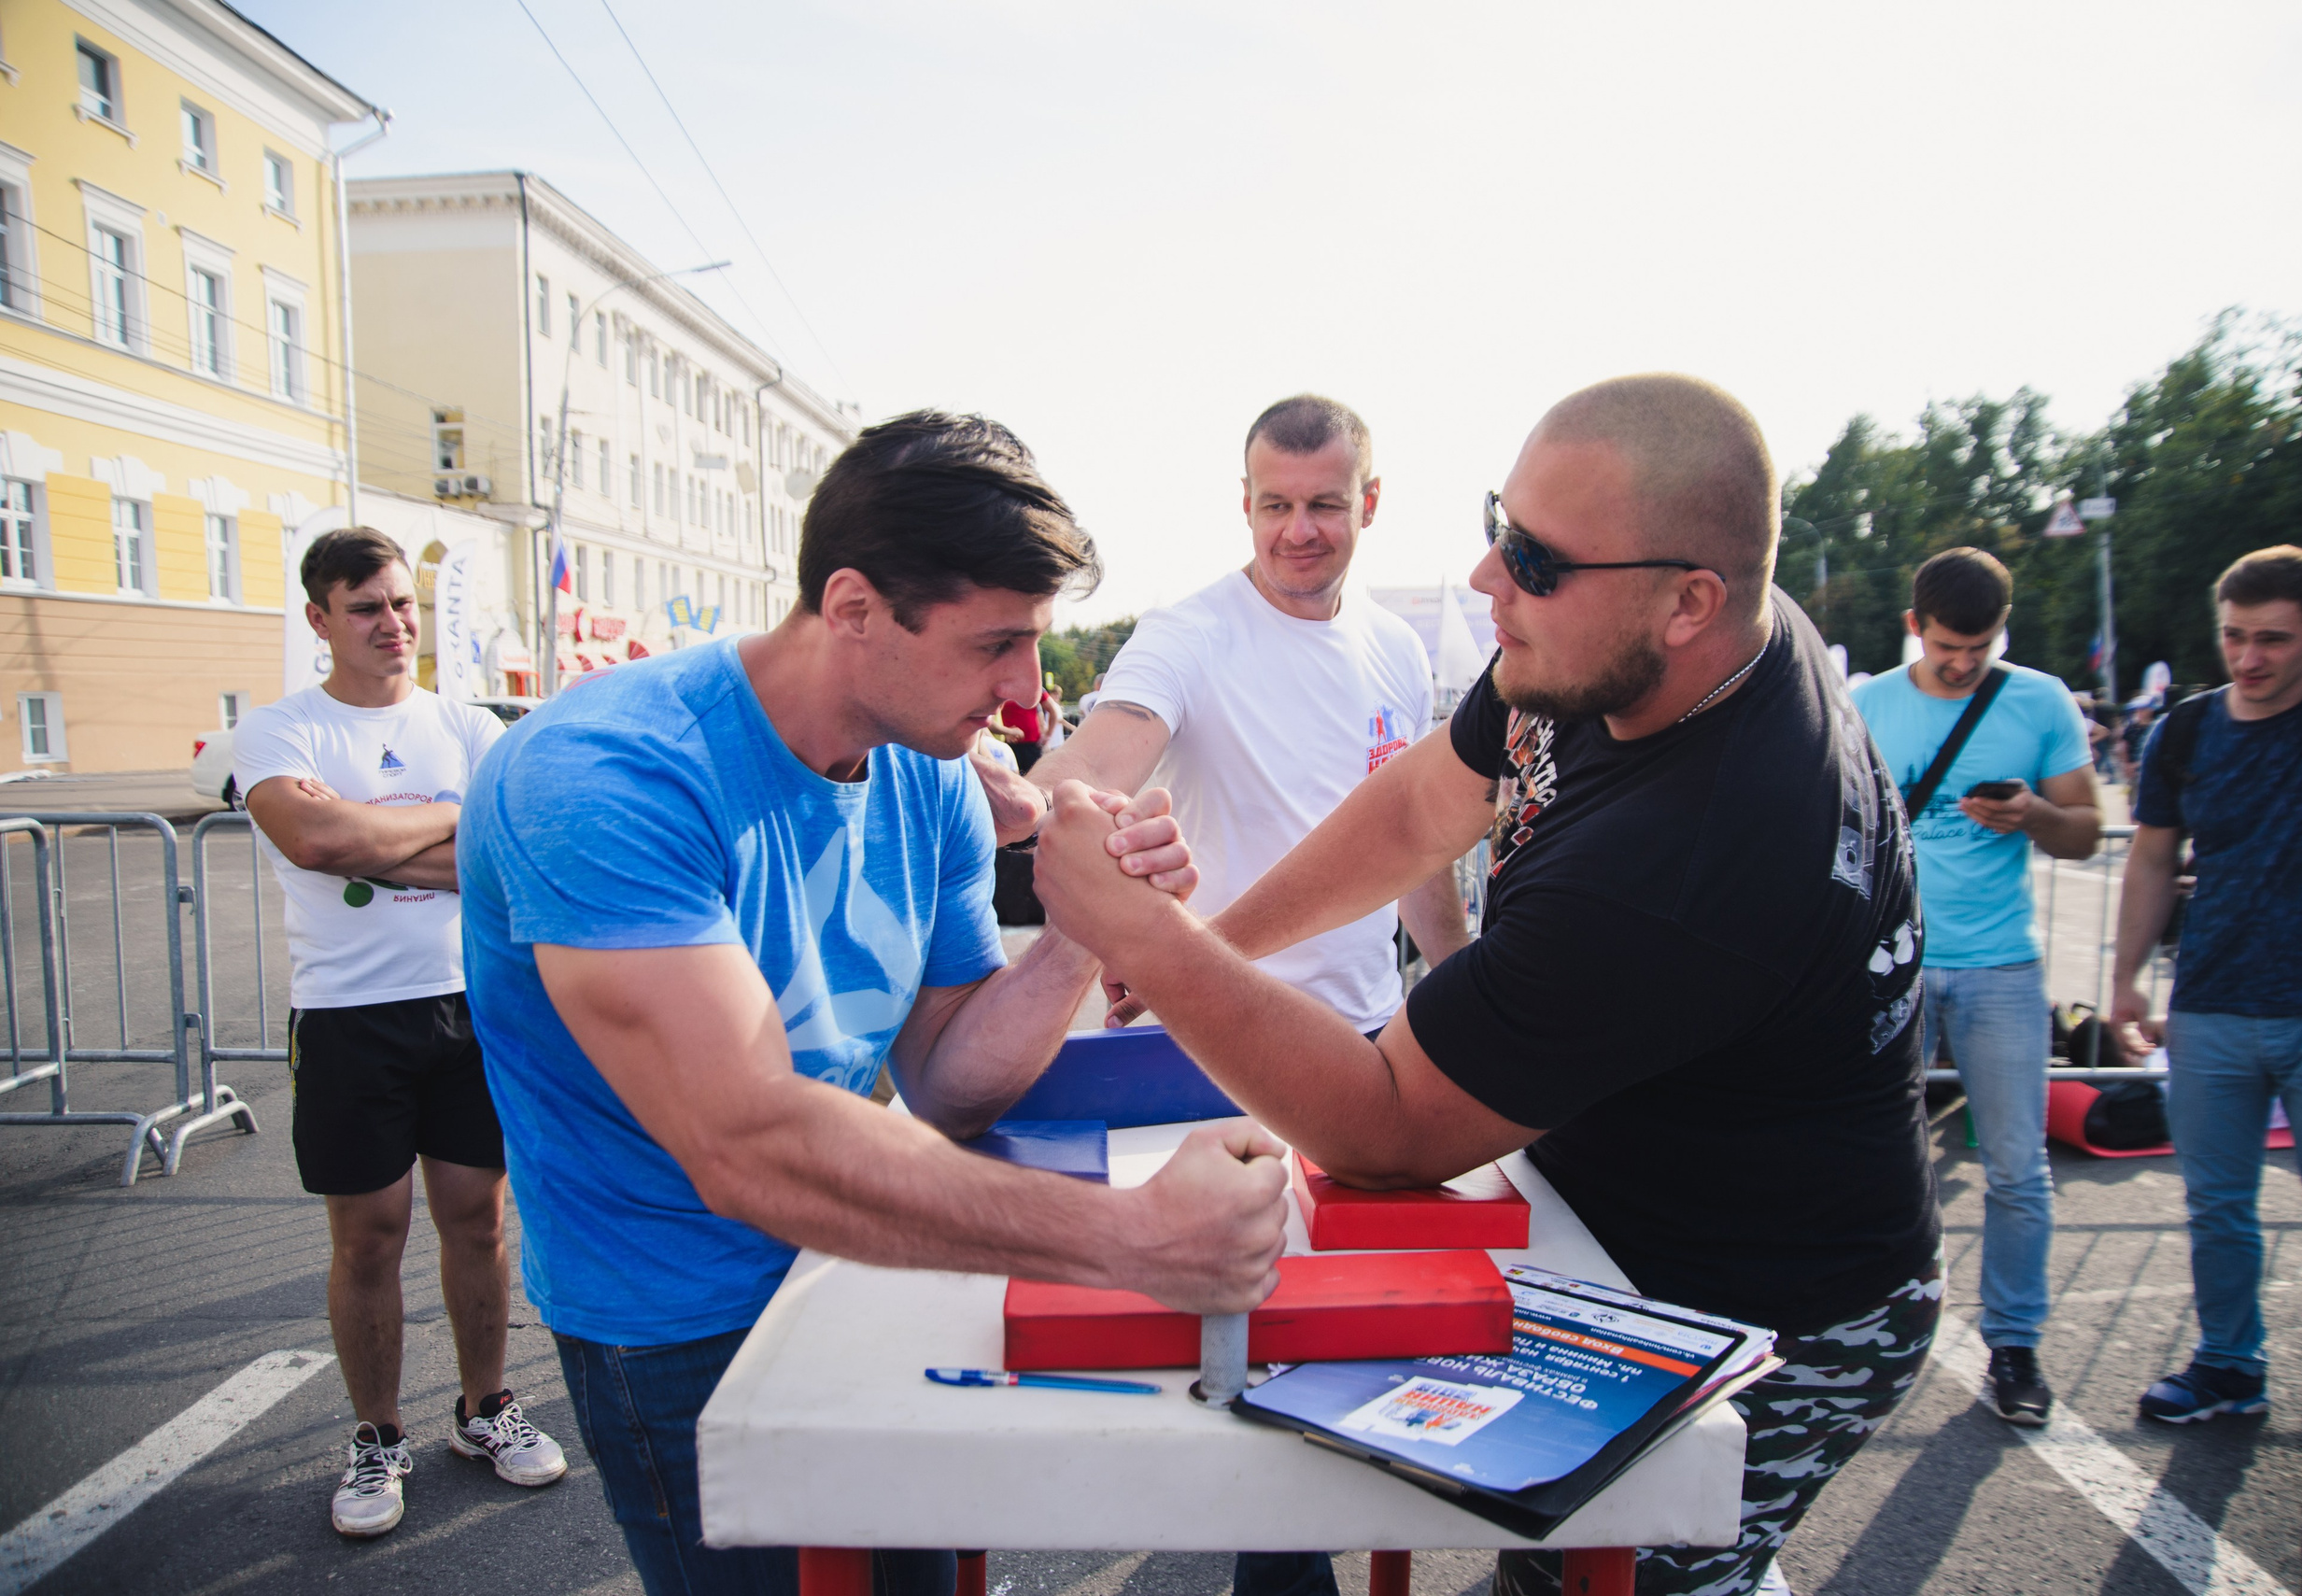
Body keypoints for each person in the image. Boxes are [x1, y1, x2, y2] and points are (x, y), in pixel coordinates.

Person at [1033, 374, 1941, 1596]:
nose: (1485, 579)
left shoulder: (1692, 849)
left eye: (1535, 558)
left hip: (1772, 1300)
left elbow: (1389, 1125)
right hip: (1620, 1222)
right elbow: (1420, 802)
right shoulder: (1616, 653)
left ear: (1690, 602)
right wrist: (1230, 939)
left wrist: (1153, 940)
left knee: (1612, 1579)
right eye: (1495, 523)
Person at [456, 411, 1291, 1595]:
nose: (1024, 697)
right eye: (998, 644)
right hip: (678, 1321)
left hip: (868, 1253)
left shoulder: (927, 770)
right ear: (851, 606)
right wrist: (1134, 1241)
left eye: (1035, 644)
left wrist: (1081, 933)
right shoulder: (602, 774)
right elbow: (749, 1148)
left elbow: (947, 1078)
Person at [233, 527, 566, 1539]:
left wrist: (379, 836)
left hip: (467, 1002)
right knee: (368, 1235)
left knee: (477, 1216)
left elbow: (500, 856)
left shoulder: (466, 723)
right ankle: (378, 1432)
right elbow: (316, 837)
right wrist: (435, 821)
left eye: (403, 603)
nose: (394, 623)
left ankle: (484, 1407)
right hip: (346, 1017)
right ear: (320, 618)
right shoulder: (277, 732)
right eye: (368, 606)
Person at [1030, 394, 1468, 1039]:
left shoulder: (1399, 648)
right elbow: (1095, 761)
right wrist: (1024, 794)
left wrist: (1464, 984)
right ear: (1246, 503)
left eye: (1323, 504)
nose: (1298, 531)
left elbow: (1417, 841)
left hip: (1369, 1032)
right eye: (1276, 506)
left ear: (1369, 502)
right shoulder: (1186, 636)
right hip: (1217, 1041)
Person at [2110, 544, 2302, 1518]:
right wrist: (2125, 982)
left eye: (2273, 638)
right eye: (2233, 635)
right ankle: (2229, 1363)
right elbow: (2150, 857)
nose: (2248, 657)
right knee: (2214, 1209)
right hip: (2213, 1006)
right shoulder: (2185, 729)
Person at [1851, 548, 2098, 1425]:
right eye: (1951, 645)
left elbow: (2087, 830)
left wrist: (2034, 814)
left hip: (2002, 966)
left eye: (1983, 646)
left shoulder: (2037, 699)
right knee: (1872, 1159)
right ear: (1914, 625)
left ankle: (2016, 1344)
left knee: (2018, 1168)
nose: (1964, 662)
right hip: (1893, 962)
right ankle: (1865, 1333)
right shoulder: (1867, 702)